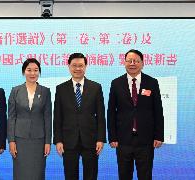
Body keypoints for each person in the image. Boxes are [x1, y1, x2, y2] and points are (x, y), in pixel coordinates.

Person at [107, 49, 164, 180]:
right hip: (123, 140)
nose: (132, 63)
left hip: (146, 140)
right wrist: (112, 137)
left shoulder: (152, 82)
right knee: (124, 175)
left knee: (145, 175)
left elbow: (158, 111)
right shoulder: (116, 83)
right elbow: (111, 112)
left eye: (136, 61)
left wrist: (159, 135)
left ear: (142, 63)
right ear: (124, 63)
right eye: (129, 61)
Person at [53, 53, 106, 180]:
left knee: (91, 175)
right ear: (69, 67)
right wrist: (58, 140)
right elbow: (58, 117)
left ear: (86, 66)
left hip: (91, 139)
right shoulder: (61, 89)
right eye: (74, 65)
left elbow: (101, 115)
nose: (77, 69)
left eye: (81, 65)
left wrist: (100, 139)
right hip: (68, 140)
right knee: (70, 175)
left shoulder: (96, 87)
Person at [7, 58, 52, 180]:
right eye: (29, 70)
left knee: (37, 172)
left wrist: (48, 141)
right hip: (19, 139)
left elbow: (48, 118)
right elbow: (11, 117)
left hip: (39, 139)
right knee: (20, 172)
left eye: (36, 70)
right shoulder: (15, 91)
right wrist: (11, 141)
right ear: (24, 72)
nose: (33, 73)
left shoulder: (45, 91)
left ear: (39, 72)